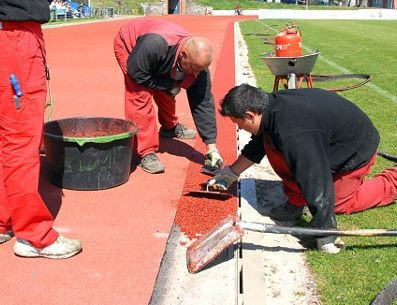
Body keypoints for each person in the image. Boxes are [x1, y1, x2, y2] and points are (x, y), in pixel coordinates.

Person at [208, 84, 397, 253]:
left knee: (339, 203)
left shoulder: (293, 133)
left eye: (238, 123)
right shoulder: (271, 109)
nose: (240, 129)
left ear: (250, 115)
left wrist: (325, 234)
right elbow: (258, 146)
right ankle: (296, 201)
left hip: (356, 150)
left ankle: (393, 180)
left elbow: (315, 178)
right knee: (273, 146)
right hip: (327, 143)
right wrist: (230, 173)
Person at [0, 0, 82, 258]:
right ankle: (33, 235)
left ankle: (5, 218)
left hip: (10, 31)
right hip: (14, 36)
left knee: (6, 137)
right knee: (20, 139)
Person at [114, 18, 223, 174]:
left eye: (199, 70)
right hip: (132, 48)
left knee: (169, 88)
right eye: (192, 68)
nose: (195, 74)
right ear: (183, 55)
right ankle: (145, 152)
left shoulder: (198, 65)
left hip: (160, 54)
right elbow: (137, 74)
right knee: (140, 94)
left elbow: (203, 103)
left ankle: (169, 127)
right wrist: (168, 85)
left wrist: (211, 147)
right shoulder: (154, 45)